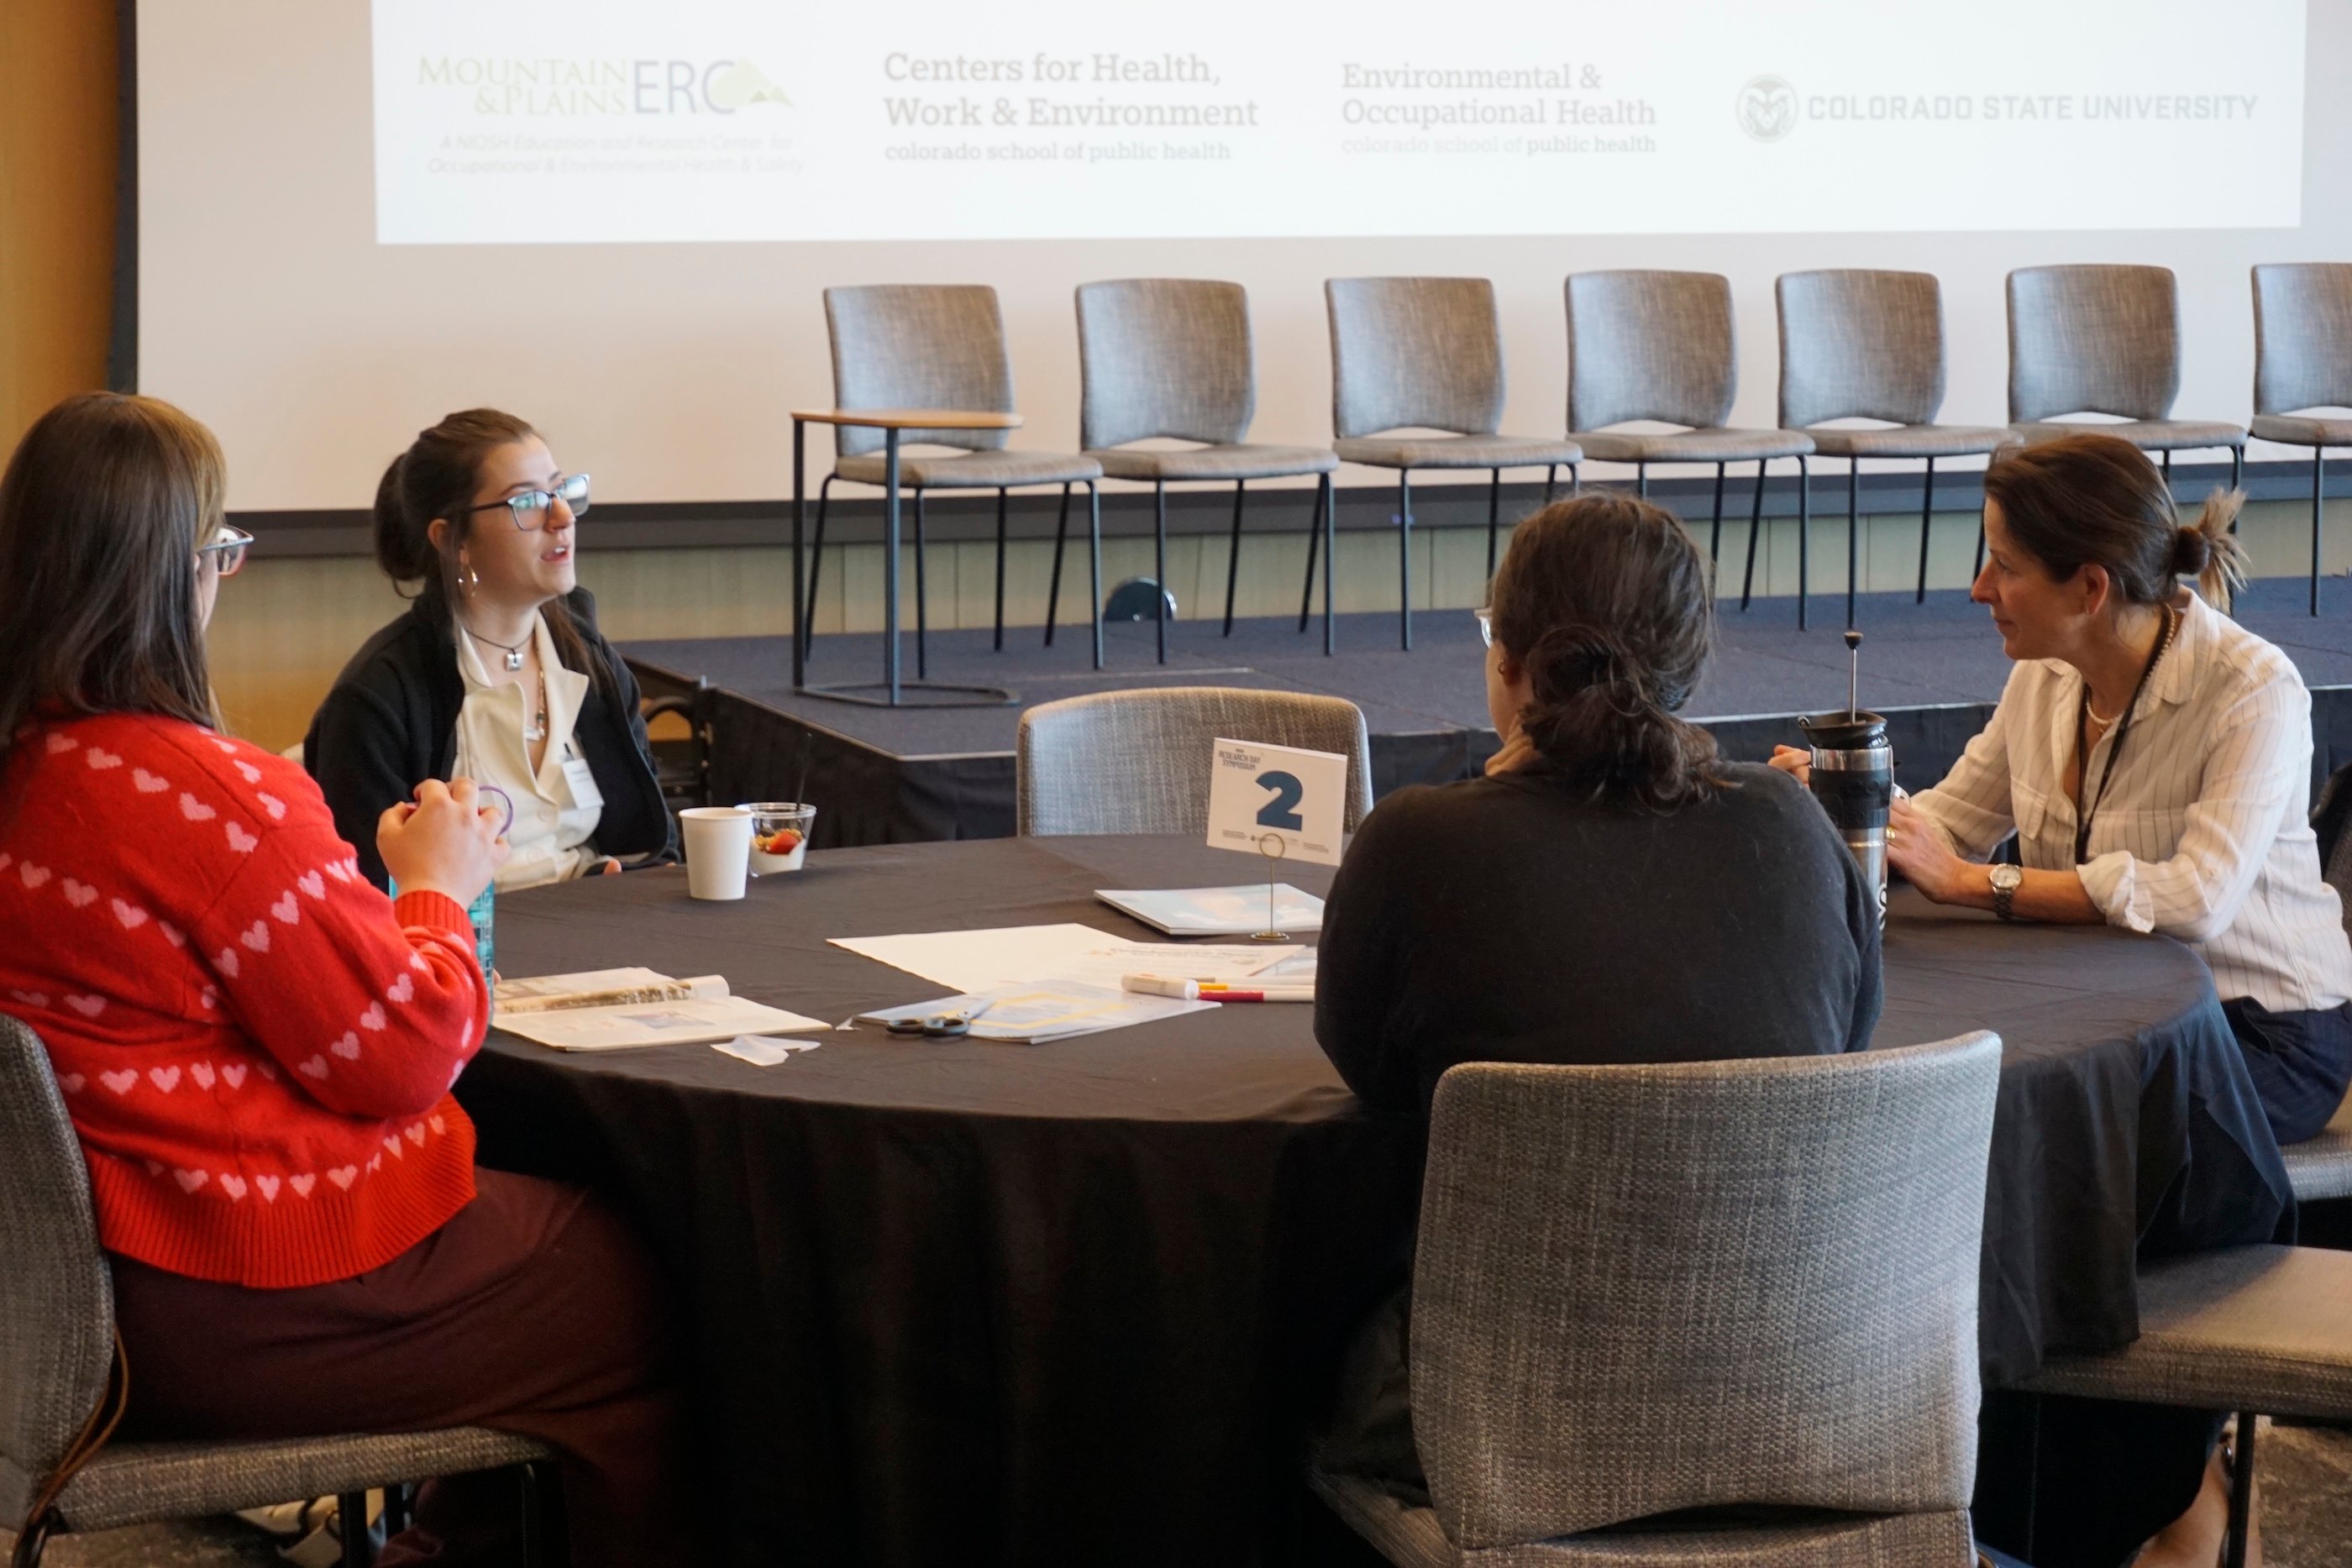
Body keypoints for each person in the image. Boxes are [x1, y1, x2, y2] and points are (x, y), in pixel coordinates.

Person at [0, 392, 692, 1567]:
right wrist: (434, 881)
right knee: (668, 1284)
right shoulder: (204, 794)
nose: (226, 577)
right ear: (167, 574)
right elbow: (407, 1046)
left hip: (75, 1307)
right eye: (218, 550)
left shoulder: (30, 771)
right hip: (238, 1288)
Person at [1772, 432, 2352, 1568]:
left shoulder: (2252, 690)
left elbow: (2193, 896)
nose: (1976, 587)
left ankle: (2174, 1488)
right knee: (2016, 1161)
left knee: (2044, 1183)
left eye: (2000, 564)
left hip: (2257, 1029)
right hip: (2112, 1017)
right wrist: (1843, 802)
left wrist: (1973, 878)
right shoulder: (2043, 675)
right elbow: (1948, 815)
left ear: (2089, 586)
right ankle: (1988, 1504)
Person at [1312, 495, 1883, 1497]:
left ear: (1508, 659)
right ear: (1691, 667)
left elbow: (1375, 1076)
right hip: (1804, 1401)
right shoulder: (1793, 830)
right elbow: (1846, 1042)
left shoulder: (1416, 842)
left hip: (1492, 1426)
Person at [307, 408, 671, 893]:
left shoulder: (586, 656)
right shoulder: (380, 695)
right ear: (452, 540)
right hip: (460, 950)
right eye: (528, 503)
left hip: (601, 935)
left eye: (561, 491)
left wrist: (626, 882)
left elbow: (652, 840)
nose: (562, 517)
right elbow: (362, 896)